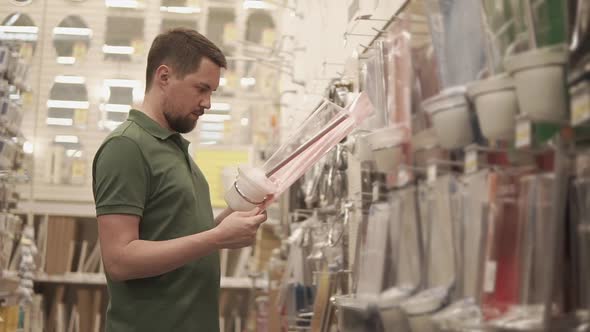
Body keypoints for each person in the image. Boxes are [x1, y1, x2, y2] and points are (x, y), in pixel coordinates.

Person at [92, 28, 267, 332]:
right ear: (164, 77)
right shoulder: (126, 147)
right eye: (201, 88)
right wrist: (216, 238)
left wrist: (232, 218)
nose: (208, 103)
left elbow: (177, 236)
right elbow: (119, 260)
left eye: (212, 91)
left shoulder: (175, 149)